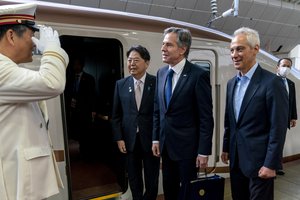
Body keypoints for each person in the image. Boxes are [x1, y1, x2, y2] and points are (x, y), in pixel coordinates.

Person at [0, 3, 69, 200]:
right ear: (11, 36)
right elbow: (52, 83)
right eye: (32, 36)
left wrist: (55, 52)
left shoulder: (9, 69)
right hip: (14, 183)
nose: (35, 44)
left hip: (19, 178)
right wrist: (53, 49)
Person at [221, 27, 289, 200]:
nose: (234, 54)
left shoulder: (272, 83)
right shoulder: (231, 84)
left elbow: (278, 127)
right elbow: (230, 120)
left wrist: (271, 164)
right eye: (232, 50)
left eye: (240, 49)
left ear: (256, 49)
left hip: (261, 163)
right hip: (237, 160)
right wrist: (226, 147)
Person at [152, 27, 214, 200]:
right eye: (163, 44)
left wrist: (203, 151)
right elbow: (157, 110)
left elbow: (206, 118)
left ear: (182, 49)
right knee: (169, 190)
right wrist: (156, 138)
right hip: (165, 146)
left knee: (188, 192)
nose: (163, 49)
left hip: (188, 149)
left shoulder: (198, 75)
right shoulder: (161, 73)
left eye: (168, 45)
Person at [112, 45, 160, 200]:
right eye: (129, 60)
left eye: (136, 60)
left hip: (151, 140)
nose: (131, 63)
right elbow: (116, 115)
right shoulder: (121, 85)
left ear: (146, 63)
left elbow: (160, 114)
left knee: (152, 178)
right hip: (129, 140)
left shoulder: (157, 82)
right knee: (133, 177)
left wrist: (157, 138)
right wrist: (119, 138)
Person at [64, 56, 96, 157]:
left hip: (85, 110)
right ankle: (80, 151)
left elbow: (93, 95)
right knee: (76, 131)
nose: (76, 66)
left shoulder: (89, 78)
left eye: (78, 64)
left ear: (82, 66)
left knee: (86, 132)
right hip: (73, 110)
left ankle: (86, 152)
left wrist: (93, 110)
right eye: (74, 64)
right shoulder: (70, 78)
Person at [275, 57, 298, 175]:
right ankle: (269, 168)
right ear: (277, 67)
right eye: (284, 65)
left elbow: (292, 101)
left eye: (289, 66)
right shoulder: (270, 80)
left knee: (280, 143)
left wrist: (293, 117)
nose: (286, 68)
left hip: (284, 119)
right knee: (270, 143)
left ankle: (277, 167)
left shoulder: (291, 84)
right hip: (270, 119)